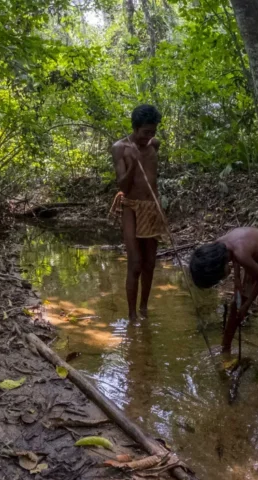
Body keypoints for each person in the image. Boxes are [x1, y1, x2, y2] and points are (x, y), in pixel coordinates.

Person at [189, 227, 258, 391]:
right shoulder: (218, 248)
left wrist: (247, 306)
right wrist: (237, 281)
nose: (221, 280)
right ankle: (225, 349)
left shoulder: (240, 253)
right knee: (236, 306)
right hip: (254, 259)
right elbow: (234, 257)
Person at [110, 105, 163, 321]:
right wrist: (133, 163)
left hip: (151, 207)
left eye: (153, 132)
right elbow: (122, 184)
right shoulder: (120, 148)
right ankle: (132, 316)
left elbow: (150, 175)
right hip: (131, 207)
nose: (149, 137)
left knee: (150, 262)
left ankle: (144, 309)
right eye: (145, 133)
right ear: (135, 128)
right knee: (135, 263)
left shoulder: (154, 145)